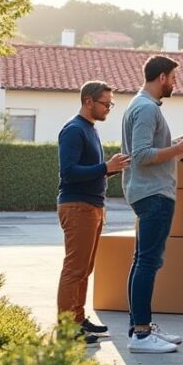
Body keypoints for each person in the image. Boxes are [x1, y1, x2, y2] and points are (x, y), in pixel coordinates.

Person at [121, 55, 183, 353]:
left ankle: (139, 327)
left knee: (141, 260)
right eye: (173, 78)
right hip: (153, 193)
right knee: (148, 262)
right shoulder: (145, 108)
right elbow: (142, 154)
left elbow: (147, 149)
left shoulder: (142, 106)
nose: (175, 83)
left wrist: (178, 144)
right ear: (161, 78)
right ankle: (141, 334)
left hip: (147, 191)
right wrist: (179, 148)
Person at [56, 81, 129, 345]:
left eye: (111, 104)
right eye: (105, 103)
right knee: (74, 270)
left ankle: (78, 319)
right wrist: (104, 167)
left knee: (85, 269)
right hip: (78, 207)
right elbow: (69, 173)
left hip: (92, 206)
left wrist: (111, 168)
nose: (109, 108)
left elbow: (92, 171)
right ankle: (66, 328)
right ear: (88, 101)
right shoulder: (74, 130)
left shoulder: (90, 130)